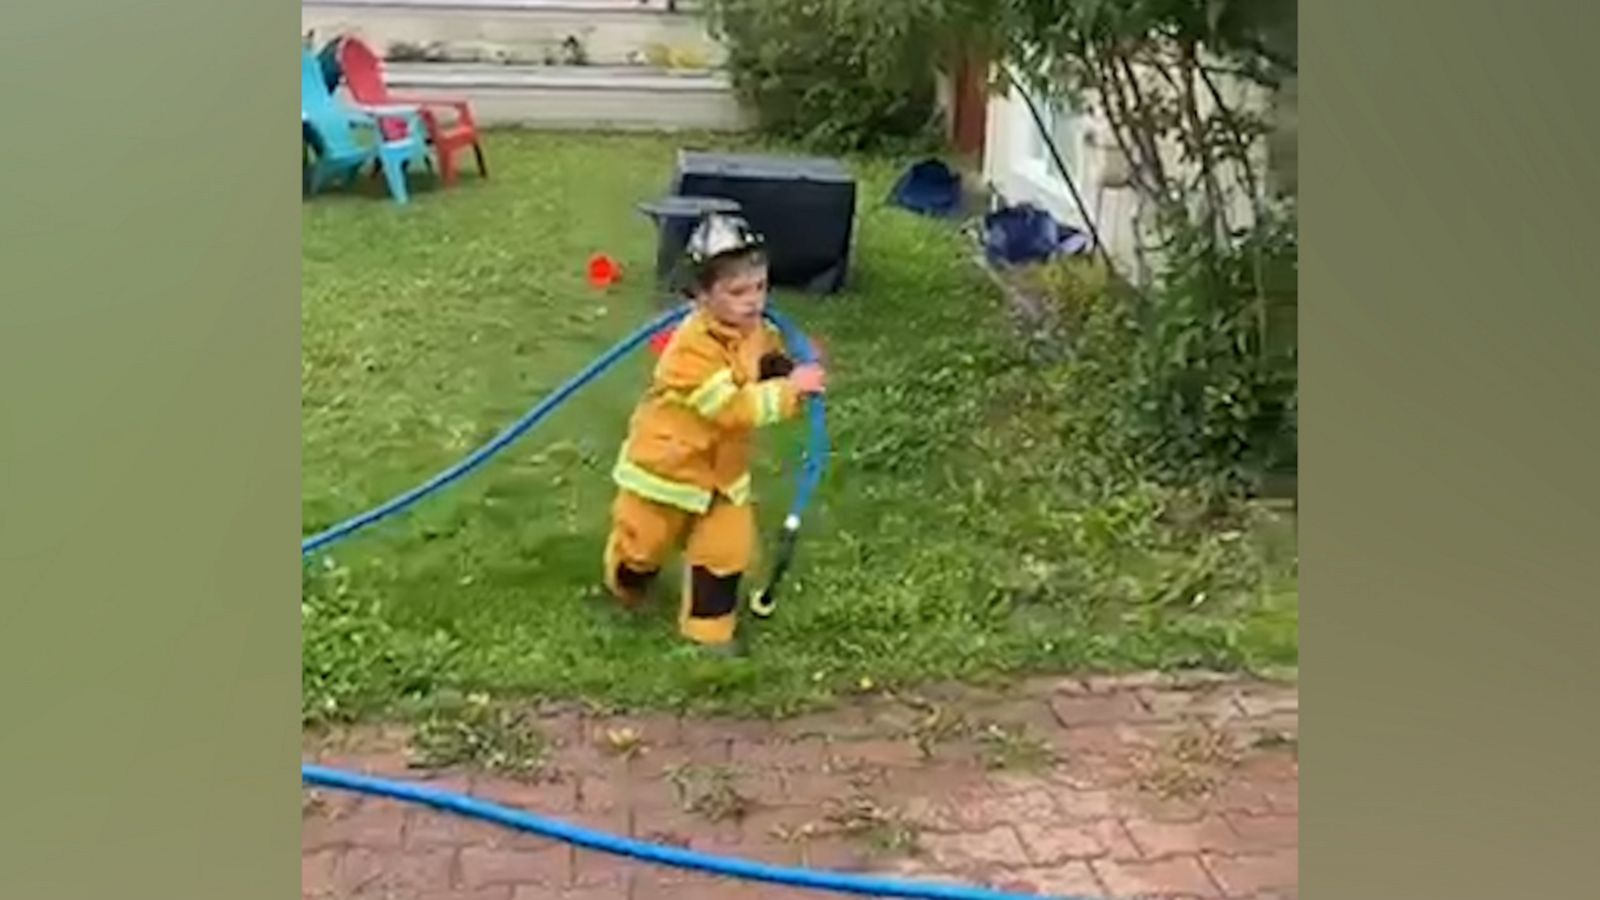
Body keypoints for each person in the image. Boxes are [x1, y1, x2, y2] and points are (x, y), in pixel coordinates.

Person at [602, 213, 826, 652]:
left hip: (723, 475)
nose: (753, 301)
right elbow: (730, 408)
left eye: (760, 287)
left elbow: (765, 362)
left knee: (726, 552)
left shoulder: (755, 330)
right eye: (737, 292)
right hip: (666, 472)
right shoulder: (690, 350)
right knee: (643, 547)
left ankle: (709, 636)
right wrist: (789, 391)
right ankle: (625, 580)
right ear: (702, 294)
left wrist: (796, 366)